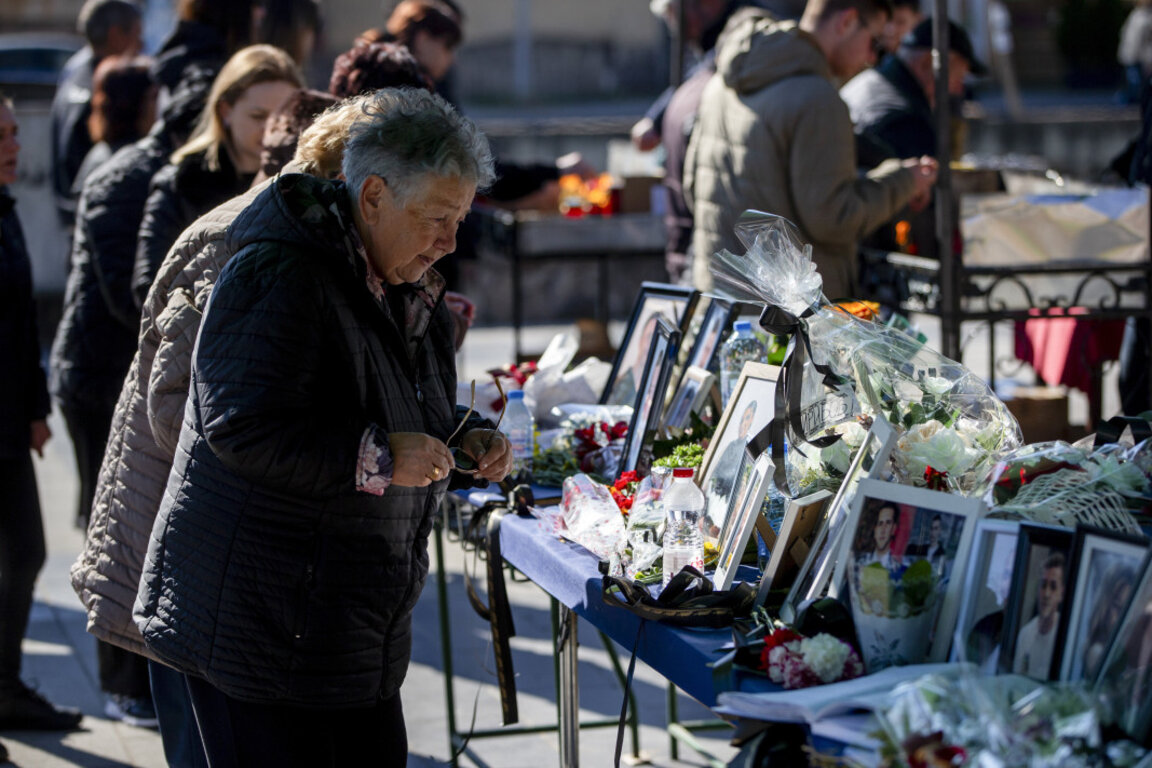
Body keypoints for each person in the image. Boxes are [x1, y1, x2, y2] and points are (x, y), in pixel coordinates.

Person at [133, 87, 507, 767]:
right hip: (259, 624)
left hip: (342, 626)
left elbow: (391, 405)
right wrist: (380, 457)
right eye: (436, 217)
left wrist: (460, 437)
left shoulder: (404, 277)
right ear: (371, 198)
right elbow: (242, 426)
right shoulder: (279, 269)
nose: (451, 240)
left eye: (460, 217)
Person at [72, 92, 374, 768]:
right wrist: (324, 445)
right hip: (186, 550)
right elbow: (181, 408)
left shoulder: (319, 240)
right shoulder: (241, 238)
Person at [684, 0, 938, 299]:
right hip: (789, 321)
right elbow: (835, 218)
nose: (872, 58)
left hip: (722, 308)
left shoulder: (721, 83)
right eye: (875, 42)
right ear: (846, 22)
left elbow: (692, 187)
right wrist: (904, 181)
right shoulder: (819, 98)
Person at [0, 95, 84, 737]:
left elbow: (21, 322)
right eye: (1, 136)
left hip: (9, 421)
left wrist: (34, 407)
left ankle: (6, 687)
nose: (15, 146)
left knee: (26, 552)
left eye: (12, 132)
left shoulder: (5, 212)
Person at [132, 44, 304, 304]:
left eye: (285, 116)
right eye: (258, 116)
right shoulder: (180, 182)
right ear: (225, 111)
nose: (272, 128)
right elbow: (150, 286)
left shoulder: (305, 184)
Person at [635, 1, 771, 284]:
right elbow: (646, 134)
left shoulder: (734, 43)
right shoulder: (702, 64)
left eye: (675, 15)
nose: (675, 28)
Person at [50, 0, 143, 230]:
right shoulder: (111, 88)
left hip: (73, 214)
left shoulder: (71, 77)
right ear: (115, 35)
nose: (141, 45)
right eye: (137, 34)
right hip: (97, 216)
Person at [71, 55, 157, 189]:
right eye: (153, 97)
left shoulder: (100, 154)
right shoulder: (133, 165)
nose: (158, 105)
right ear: (134, 103)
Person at [1012, 552, 1066, 679]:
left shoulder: (1065, 637)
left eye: (1053, 587)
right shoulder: (1025, 634)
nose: (1046, 594)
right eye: (1043, 585)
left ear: (1061, 594)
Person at [855, 501, 903, 574]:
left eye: (888, 523)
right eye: (880, 523)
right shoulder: (857, 563)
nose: (883, 530)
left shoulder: (897, 569)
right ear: (875, 529)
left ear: (894, 528)